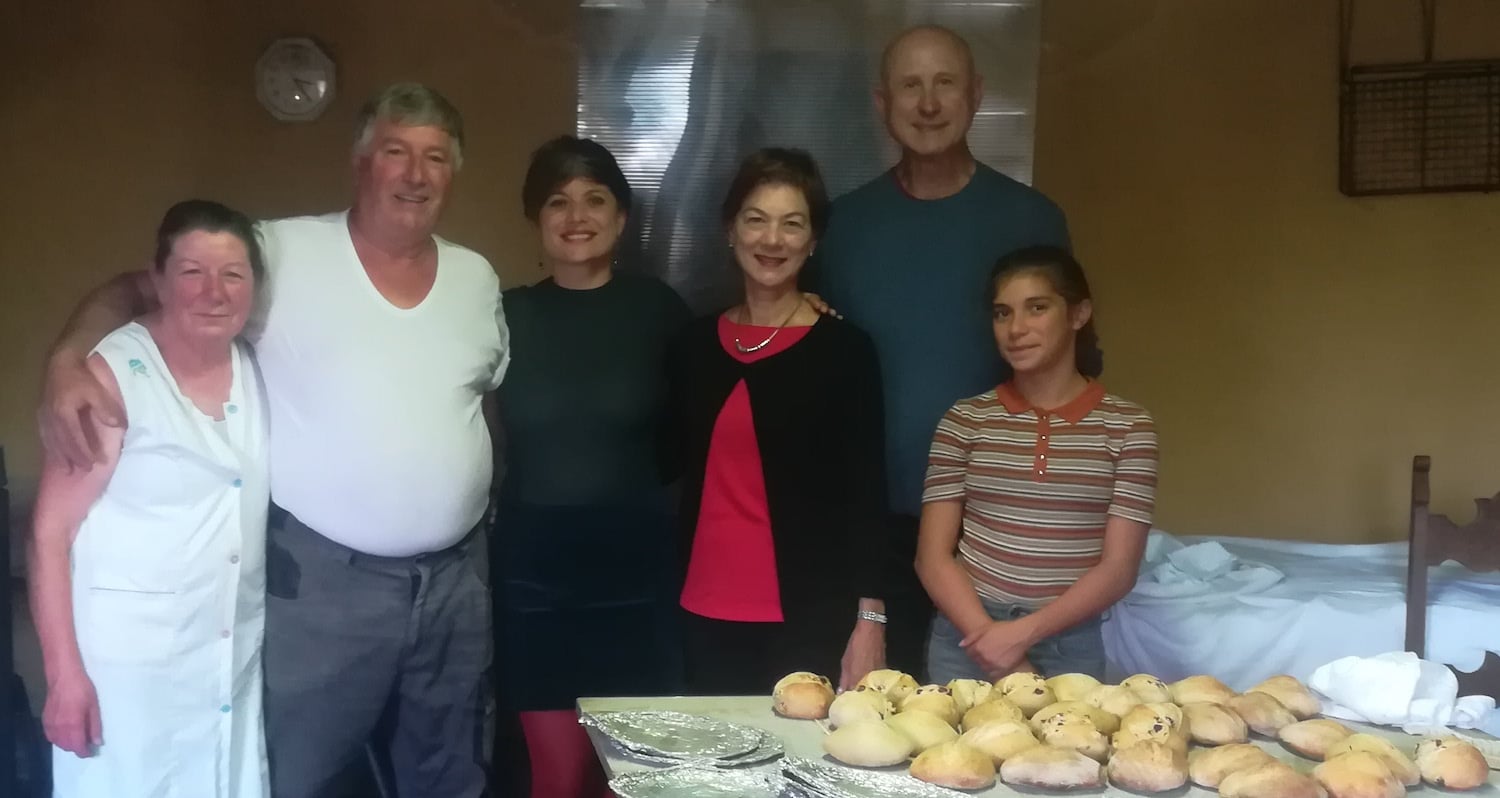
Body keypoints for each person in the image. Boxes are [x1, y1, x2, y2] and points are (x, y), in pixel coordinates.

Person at [36, 84, 509, 798]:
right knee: (303, 769)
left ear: (454, 174)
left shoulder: (476, 277)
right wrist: (68, 357)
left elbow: (481, 394)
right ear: (361, 164)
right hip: (326, 583)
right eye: (396, 153)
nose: (415, 175)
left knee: (449, 769)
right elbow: (145, 288)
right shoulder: (281, 249)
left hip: (453, 583)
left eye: (435, 158)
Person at [809, 24, 1073, 676]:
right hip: (878, 528)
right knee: (883, 723)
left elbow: (1067, 367)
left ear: (977, 94)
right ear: (882, 102)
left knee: (1000, 729)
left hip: (1000, 527)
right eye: (910, 85)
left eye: (945, 82)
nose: (928, 104)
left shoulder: (1032, 219)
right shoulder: (844, 226)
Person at [29, 199, 270, 797]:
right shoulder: (109, 377)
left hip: (224, 663)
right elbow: (47, 535)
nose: (212, 291)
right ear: (157, 281)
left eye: (232, 274)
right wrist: (63, 679)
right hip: (126, 675)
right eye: (191, 272)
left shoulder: (252, 367)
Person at [494, 135, 690, 798]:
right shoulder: (506, 314)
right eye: (558, 201)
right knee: (556, 776)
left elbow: (698, 422)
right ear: (536, 218)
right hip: (535, 579)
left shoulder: (659, 311)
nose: (577, 215)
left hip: (636, 575)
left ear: (622, 216)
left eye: (595, 199)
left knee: (630, 778)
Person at [667, 148, 888, 694]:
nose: (772, 240)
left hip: (810, 616)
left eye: (792, 225)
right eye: (756, 219)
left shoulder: (845, 350)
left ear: (812, 242)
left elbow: (865, 496)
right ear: (730, 229)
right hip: (701, 610)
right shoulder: (691, 347)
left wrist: (871, 622)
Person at [915, 246, 1157, 682]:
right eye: (1002, 313)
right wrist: (992, 640)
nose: (1016, 329)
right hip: (967, 637)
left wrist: (1021, 636)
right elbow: (931, 558)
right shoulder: (965, 419)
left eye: (1037, 308)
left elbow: (1119, 569)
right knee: (950, 752)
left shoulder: (1128, 426)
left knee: (1068, 753)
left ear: (1078, 313)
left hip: (1067, 643)